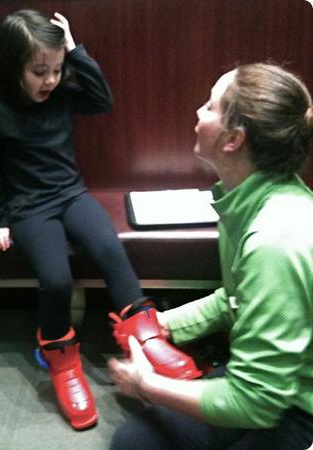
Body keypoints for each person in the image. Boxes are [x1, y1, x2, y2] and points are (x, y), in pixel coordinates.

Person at [0, 9, 201, 431]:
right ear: (12, 66)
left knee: (110, 249)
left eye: (57, 70)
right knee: (57, 280)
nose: (51, 81)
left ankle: (146, 337)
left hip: (70, 193)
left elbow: (101, 100)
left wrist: (75, 51)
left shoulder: (61, 94)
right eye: (40, 71)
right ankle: (62, 362)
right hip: (29, 207)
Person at [109, 63, 313, 449]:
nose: (198, 113)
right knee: (136, 442)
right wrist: (162, 324)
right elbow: (236, 299)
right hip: (272, 388)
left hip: (300, 409)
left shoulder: (275, 238)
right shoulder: (249, 199)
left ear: (233, 138)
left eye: (209, 106)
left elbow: (256, 403)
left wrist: (146, 384)